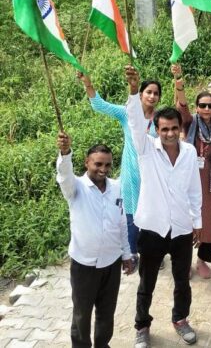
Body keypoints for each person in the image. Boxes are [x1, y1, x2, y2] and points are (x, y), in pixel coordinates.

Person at [125, 66, 202, 348]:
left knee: (182, 281)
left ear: (180, 129)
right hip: (152, 228)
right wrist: (134, 92)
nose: (170, 133)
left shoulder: (190, 152)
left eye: (174, 128)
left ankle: (180, 320)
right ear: (156, 131)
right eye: (164, 129)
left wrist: (197, 223)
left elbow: (195, 190)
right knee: (147, 284)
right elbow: (134, 122)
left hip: (181, 228)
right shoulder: (146, 150)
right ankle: (142, 326)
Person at [56, 132, 135, 348]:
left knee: (106, 311)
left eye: (108, 165)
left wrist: (126, 254)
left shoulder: (116, 187)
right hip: (84, 265)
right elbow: (64, 176)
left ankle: (103, 344)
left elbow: (121, 224)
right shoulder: (76, 188)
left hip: (111, 262)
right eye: (98, 164)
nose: (103, 169)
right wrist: (64, 153)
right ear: (86, 162)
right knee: (82, 314)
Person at [77, 72, 160, 258]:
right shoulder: (127, 113)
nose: (152, 96)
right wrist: (88, 84)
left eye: (156, 93)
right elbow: (100, 105)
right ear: (140, 94)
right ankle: (132, 252)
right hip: (131, 174)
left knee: (151, 213)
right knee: (130, 215)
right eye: (148, 92)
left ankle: (151, 253)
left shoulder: (159, 120)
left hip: (151, 175)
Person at [172, 65, 211, 279]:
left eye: (210, 106)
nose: (206, 109)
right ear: (197, 107)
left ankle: (203, 260)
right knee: (186, 221)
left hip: (210, 182)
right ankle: (184, 262)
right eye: (202, 105)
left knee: (210, 222)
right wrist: (179, 83)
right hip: (189, 179)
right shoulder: (189, 123)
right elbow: (182, 107)